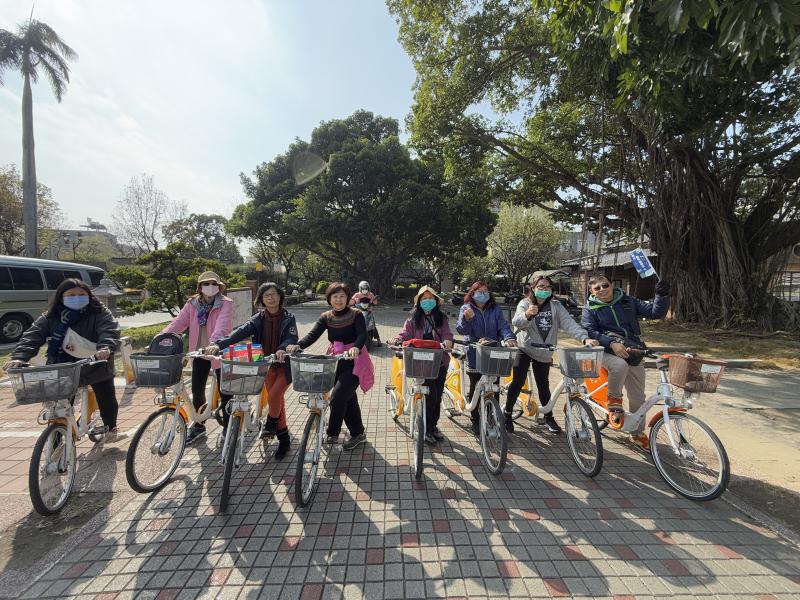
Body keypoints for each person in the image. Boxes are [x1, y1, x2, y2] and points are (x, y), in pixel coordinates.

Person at [4, 279, 121, 438]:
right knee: (60, 405)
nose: (77, 298)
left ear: (89, 295)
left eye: (81, 294)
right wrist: (19, 357)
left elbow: (109, 330)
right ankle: (57, 439)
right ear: (61, 297)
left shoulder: (99, 312)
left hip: (95, 362)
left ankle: (111, 428)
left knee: (106, 396)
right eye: (71, 295)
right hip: (62, 364)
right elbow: (32, 336)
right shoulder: (51, 316)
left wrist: (105, 348)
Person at [205, 282, 298, 460]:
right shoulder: (258, 318)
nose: (271, 298)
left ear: (280, 297)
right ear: (261, 299)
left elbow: (291, 337)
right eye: (267, 295)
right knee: (277, 401)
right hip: (265, 364)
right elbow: (240, 332)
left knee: (273, 397)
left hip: (285, 364)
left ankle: (270, 425)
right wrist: (218, 344)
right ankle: (284, 439)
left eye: (274, 294)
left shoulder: (289, 317)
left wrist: (283, 348)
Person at [582, 274, 671, 448]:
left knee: (638, 397)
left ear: (611, 285)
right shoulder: (590, 309)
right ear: (591, 291)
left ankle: (636, 432)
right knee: (619, 364)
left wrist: (662, 295)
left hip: (633, 351)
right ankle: (614, 400)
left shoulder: (628, 301)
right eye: (597, 288)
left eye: (605, 285)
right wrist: (612, 343)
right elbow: (589, 331)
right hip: (606, 351)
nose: (602, 290)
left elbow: (655, 312)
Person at [286, 282, 374, 450]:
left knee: (338, 397)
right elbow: (312, 335)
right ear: (329, 299)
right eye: (335, 296)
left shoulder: (356, 314)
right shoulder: (326, 316)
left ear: (348, 298)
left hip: (355, 361)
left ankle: (332, 433)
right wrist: (298, 346)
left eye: (342, 296)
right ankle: (358, 434)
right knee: (348, 398)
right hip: (335, 360)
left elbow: (362, 335)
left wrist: (356, 347)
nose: (339, 300)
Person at [508, 276, 599, 434]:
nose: (544, 289)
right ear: (533, 288)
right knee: (518, 380)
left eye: (547, 287)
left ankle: (548, 417)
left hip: (544, 350)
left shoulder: (556, 306)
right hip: (525, 348)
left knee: (543, 384)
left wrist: (584, 338)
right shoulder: (525, 303)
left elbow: (569, 324)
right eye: (540, 286)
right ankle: (507, 414)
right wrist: (527, 315)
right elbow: (516, 322)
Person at [161, 271, 233, 445]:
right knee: (197, 389)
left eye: (213, 284)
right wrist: (161, 338)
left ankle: (228, 428)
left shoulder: (225, 303)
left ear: (219, 286)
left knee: (225, 391)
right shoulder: (192, 304)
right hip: (199, 351)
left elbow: (223, 325)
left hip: (219, 351)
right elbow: (178, 323)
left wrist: (215, 343)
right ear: (200, 287)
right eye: (206, 284)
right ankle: (199, 425)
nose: (210, 287)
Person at [391, 286, 454, 444]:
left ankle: (433, 426)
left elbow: (447, 333)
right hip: (419, 362)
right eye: (424, 298)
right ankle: (424, 428)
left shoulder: (442, 318)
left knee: (437, 395)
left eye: (430, 298)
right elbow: (404, 333)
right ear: (419, 302)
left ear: (435, 301)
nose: (427, 301)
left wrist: (447, 341)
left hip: (439, 361)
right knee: (429, 396)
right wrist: (397, 339)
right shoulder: (413, 318)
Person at [455, 280, 517, 436]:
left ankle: (490, 416)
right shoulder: (466, 308)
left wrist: (509, 337)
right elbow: (462, 330)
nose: (482, 294)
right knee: (476, 386)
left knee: (493, 386)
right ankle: (475, 420)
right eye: (479, 291)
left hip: (493, 352)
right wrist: (467, 319)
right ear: (472, 293)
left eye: (485, 291)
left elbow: (503, 326)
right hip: (474, 352)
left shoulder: (495, 309)